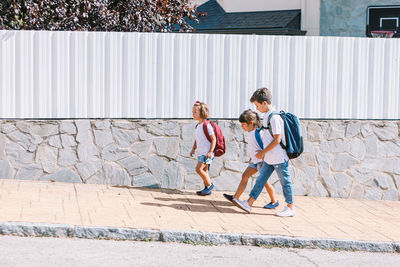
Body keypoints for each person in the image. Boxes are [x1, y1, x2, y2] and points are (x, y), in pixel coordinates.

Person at [233, 88, 296, 217]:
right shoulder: (267, 116)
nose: (256, 109)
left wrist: (262, 152)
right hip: (269, 158)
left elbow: (277, 139)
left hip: (278, 157)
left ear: (264, 103)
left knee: (285, 181)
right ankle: (249, 203)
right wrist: (264, 154)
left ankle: (290, 207)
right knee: (260, 180)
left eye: (257, 105)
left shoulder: (274, 118)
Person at [223, 109, 279, 209]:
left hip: (261, 162)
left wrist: (263, 161)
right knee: (244, 176)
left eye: (243, 124)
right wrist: (251, 157)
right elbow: (255, 147)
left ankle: (274, 201)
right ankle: (235, 198)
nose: (242, 126)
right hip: (254, 161)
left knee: (265, 182)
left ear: (251, 123)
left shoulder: (259, 133)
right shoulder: (250, 132)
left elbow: (264, 148)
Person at [190, 101, 216, 195]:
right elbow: (197, 139)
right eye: (192, 112)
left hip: (206, 153)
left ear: (201, 113)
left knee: (198, 169)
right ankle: (207, 189)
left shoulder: (207, 125)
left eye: (195, 112)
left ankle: (210, 185)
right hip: (201, 152)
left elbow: (214, 139)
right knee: (205, 171)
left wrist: (210, 152)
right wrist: (193, 149)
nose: (193, 114)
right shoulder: (198, 126)